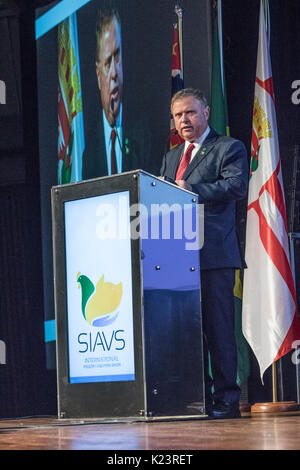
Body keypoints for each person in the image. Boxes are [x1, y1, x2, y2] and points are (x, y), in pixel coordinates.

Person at [160, 88, 249, 419]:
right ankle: (200, 399)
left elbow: (237, 186)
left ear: (206, 113)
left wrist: (192, 188)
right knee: (188, 333)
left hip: (213, 255)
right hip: (177, 259)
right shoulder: (171, 157)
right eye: (178, 115)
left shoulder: (228, 147)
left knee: (219, 330)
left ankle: (227, 401)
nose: (184, 119)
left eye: (191, 112)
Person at [83, 6, 149, 179]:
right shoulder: (88, 147)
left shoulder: (143, 133)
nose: (114, 72)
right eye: (107, 63)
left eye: (117, 57)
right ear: (98, 75)